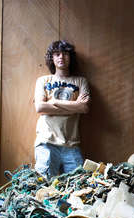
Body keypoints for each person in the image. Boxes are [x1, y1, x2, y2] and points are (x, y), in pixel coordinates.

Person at [34, 40, 90, 179]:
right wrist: (74, 106)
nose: (61, 57)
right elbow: (40, 107)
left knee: (78, 186)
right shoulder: (43, 81)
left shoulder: (80, 81)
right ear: (52, 58)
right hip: (47, 142)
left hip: (72, 144)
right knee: (44, 188)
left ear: (70, 57)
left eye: (65, 54)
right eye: (57, 54)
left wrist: (53, 102)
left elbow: (84, 107)